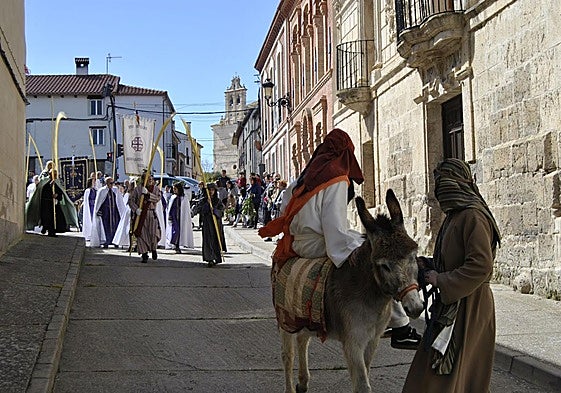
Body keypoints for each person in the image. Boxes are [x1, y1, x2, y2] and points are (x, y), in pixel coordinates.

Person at [259, 128, 420, 348]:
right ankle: (400, 325)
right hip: (318, 242)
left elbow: (285, 207)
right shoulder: (336, 178)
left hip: (298, 241)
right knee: (375, 258)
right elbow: (333, 225)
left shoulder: (305, 178)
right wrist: (349, 252)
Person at [402, 158, 501, 393]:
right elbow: (450, 261)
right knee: (432, 374)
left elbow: (480, 265)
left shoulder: (474, 217)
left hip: (470, 307)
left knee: (454, 375)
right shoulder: (454, 217)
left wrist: (442, 280)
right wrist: (425, 266)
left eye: (443, 182)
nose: (438, 189)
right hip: (451, 303)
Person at [128, 173, 162, 263]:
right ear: (144, 180)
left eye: (151, 179)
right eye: (148, 179)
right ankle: (144, 254)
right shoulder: (137, 189)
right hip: (141, 215)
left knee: (153, 234)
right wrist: (136, 209)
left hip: (151, 214)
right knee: (142, 234)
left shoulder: (155, 189)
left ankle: (154, 249)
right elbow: (131, 201)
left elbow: (158, 198)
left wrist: (148, 194)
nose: (150, 181)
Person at [195, 183, 226, 267]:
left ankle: (216, 257)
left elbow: (222, 211)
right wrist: (207, 205)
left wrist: (215, 211)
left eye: (213, 190)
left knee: (215, 240)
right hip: (207, 223)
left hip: (216, 223)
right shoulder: (203, 200)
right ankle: (210, 258)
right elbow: (199, 210)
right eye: (209, 190)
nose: (211, 192)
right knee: (208, 240)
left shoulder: (217, 200)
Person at [90, 177, 125, 248]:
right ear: (106, 183)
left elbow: (119, 201)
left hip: (114, 213)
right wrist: (98, 210)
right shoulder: (102, 191)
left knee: (116, 227)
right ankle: (106, 241)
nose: (112, 185)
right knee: (106, 227)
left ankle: (115, 242)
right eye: (110, 183)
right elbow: (99, 202)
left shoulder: (115, 190)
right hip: (106, 213)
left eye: (113, 183)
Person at [165, 181, 194, 252]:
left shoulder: (184, 198)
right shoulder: (173, 197)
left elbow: (186, 210)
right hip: (174, 217)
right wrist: (170, 216)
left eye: (175, 189)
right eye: (173, 189)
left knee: (180, 232)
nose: (174, 190)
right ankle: (175, 244)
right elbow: (170, 207)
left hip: (181, 218)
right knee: (175, 231)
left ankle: (177, 245)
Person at [113, 178, 135, 249]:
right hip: (129, 212)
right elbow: (126, 203)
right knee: (128, 228)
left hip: (136, 212)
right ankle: (129, 244)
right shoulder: (128, 194)